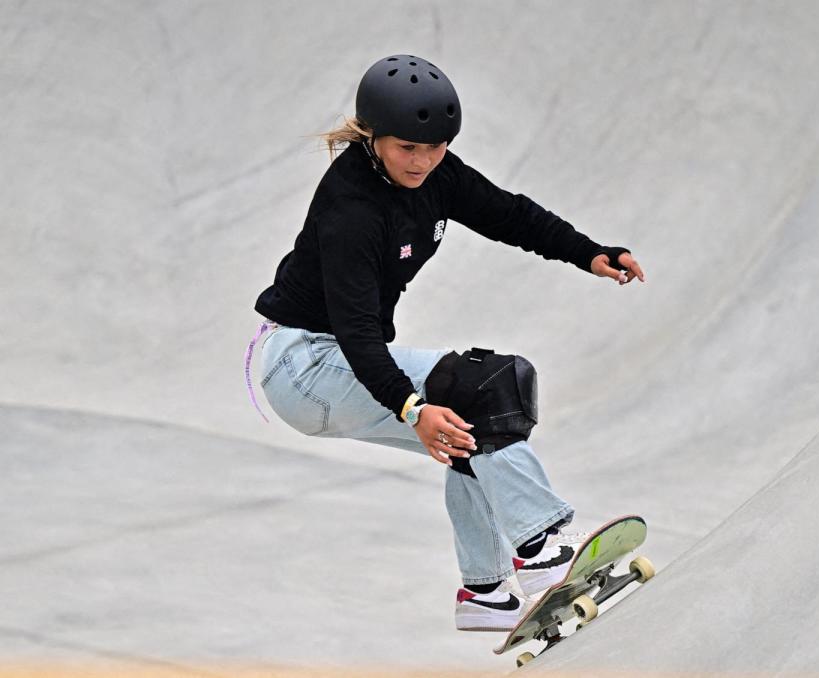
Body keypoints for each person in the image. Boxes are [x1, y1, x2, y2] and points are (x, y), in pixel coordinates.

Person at [245, 55, 645, 632]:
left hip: (338, 361)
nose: (424, 161)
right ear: (373, 137)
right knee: (484, 384)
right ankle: (542, 548)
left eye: (436, 147)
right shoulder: (351, 208)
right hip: (307, 367)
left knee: (471, 425)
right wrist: (411, 408)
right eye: (408, 148)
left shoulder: (438, 173)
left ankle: (484, 593)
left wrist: (588, 252)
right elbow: (357, 332)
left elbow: (510, 215)